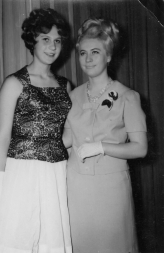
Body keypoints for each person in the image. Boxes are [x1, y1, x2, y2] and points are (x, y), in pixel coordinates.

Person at [0, 8, 72, 253]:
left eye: (57, 41)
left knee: (51, 243)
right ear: (33, 41)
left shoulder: (65, 86)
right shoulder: (14, 83)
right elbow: (3, 137)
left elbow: (69, 133)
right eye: (45, 39)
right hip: (21, 173)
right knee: (18, 240)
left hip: (56, 174)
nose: (52, 46)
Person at [63, 18, 148, 253]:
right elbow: (68, 140)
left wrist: (102, 146)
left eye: (95, 52)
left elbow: (140, 148)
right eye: (82, 53)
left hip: (110, 191)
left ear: (108, 56)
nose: (88, 59)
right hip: (76, 188)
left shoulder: (128, 96)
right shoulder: (72, 97)